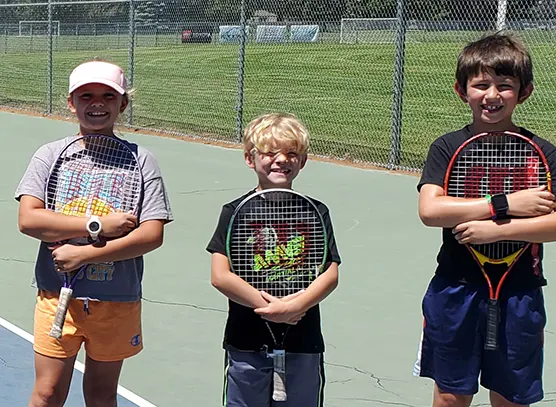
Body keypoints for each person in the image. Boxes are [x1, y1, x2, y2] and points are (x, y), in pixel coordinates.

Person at [413, 32, 556, 407]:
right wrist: (505, 203)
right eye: (481, 85)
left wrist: (498, 229)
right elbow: (431, 211)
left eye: (505, 86)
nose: (492, 95)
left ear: (525, 92)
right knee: (452, 395)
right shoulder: (447, 147)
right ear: (461, 90)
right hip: (456, 290)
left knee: (511, 398)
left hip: (520, 291)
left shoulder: (542, 152)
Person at [15, 60, 173, 407]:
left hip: (117, 300)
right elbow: (28, 220)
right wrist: (96, 226)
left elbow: (151, 234)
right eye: (86, 96)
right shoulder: (50, 156)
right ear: (72, 102)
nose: (97, 104)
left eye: (108, 96)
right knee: (47, 393)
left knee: (101, 396)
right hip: (56, 297)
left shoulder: (141, 160)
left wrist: (86, 253)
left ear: (122, 104)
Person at [206, 112, 341, 406]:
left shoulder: (316, 211)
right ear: (249, 158)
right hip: (246, 343)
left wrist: (295, 306)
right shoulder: (234, 212)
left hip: (304, 342)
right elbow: (220, 275)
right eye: (269, 152)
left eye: (292, 153)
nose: (281, 160)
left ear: (302, 162)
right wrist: (272, 308)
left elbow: (330, 274)